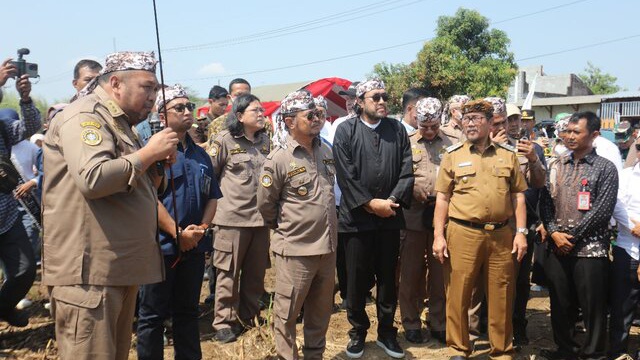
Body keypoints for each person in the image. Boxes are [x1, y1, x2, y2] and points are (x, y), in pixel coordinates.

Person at [42, 51, 179, 360]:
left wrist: (156, 163)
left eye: (156, 90)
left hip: (117, 269)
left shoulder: (119, 123)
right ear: (116, 83)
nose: (153, 98)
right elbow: (94, 178)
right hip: (89, 273)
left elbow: (140, 188)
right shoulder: (85, 117)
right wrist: (147, 155)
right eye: (147, 87)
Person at [432, 99, 528, 360]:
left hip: (501, 235)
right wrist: (439, 236)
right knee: (458, 293)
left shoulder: (507, 155)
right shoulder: (453, 155)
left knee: (502, 293)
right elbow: (442, 198)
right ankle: (459, 349)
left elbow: (518, 196)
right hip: (463, 233)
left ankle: (501, 351)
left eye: (476, 118)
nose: (470, 123)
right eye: (466, 119)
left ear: (489, 122)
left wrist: (521, 232)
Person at [136, 84, 221, 359]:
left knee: (188, 312)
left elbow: (212, 197)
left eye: (189, 107)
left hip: (194, 247)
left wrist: (201, 230)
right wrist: (177, 233)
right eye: (179, 107)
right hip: (160, 248)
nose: (187, 112)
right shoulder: (153, 151)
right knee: (152, 316)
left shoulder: (200, 155)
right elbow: (150, 198)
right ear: (162, 115)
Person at [333, 79, 413, 359]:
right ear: (360, 101)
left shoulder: (397, 129)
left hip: (390, 217)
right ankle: (357, 332)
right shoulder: (345, 130)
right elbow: (345, 175)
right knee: (355, 281)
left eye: (384, 96)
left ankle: (387, 333)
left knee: (388, 279)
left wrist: (389, 203)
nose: (381, 101)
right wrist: (369, 204)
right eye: (375, 97)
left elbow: (406, 170)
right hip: (356, 220)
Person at [257, 90, 337, 360]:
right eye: (309, 115)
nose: (317, 119)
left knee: (320, 310)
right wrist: (288, 229)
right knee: (287, 311)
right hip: (295, 250)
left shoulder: (326, 149)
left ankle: (315, 354)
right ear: (290, 122)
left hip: (327, 247)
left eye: (319, 114)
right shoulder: (279, 158)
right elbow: (266, 205)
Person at [539, 111, 617, 360]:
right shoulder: (557, 164)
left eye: (576, 132)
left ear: (593, 135)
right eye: (567, 131)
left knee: (592, 306)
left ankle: (593, 353)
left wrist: (569, 237)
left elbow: (602, 211)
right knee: (560, 304)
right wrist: (553, 232)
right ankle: (566, 351)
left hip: (590, 251)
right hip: (557, 247)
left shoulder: (605, 168)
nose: (569, 136)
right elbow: (545, 203)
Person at [209, 93, 270, 343]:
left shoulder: (265, 141)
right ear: (239, 115)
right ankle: (224, 322)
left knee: (256, 275)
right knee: (228, 274)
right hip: (231, 219)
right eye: (256, 111)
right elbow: (210, 176)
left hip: (260, 220)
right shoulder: (224, 140)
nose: (261, 114)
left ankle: (249, 316)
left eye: (262, 110)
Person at [398, 97, 452, 345]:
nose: (429, 131)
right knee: (410, 272)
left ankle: (438, 322)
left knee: (439, 273)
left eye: (434, 126)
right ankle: (411, 322)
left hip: (443, 217)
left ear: (441, 120)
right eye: (424, 126)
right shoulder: (406, 144)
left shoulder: (453, 144)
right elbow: (398, 176)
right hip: (413, 216)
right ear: (416, 120)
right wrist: (413, 188)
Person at [0, 57, 40, 328]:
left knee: (25, 270)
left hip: (7, 214)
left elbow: (29, 128)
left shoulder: (2, 127)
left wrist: (25, 98)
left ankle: (3, 307)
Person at [610, 136, 640, 360]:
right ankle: (617, 353)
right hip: (628, 247)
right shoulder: (627, 176)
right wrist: (634, 227)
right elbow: (616, 205)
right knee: (622, 306)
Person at [206, 78, 252, 148]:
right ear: (229, 97)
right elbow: (213, 155)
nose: (243, 99)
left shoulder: (262, 123)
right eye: (238, 95)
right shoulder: (216, 124)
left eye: (246, 95)